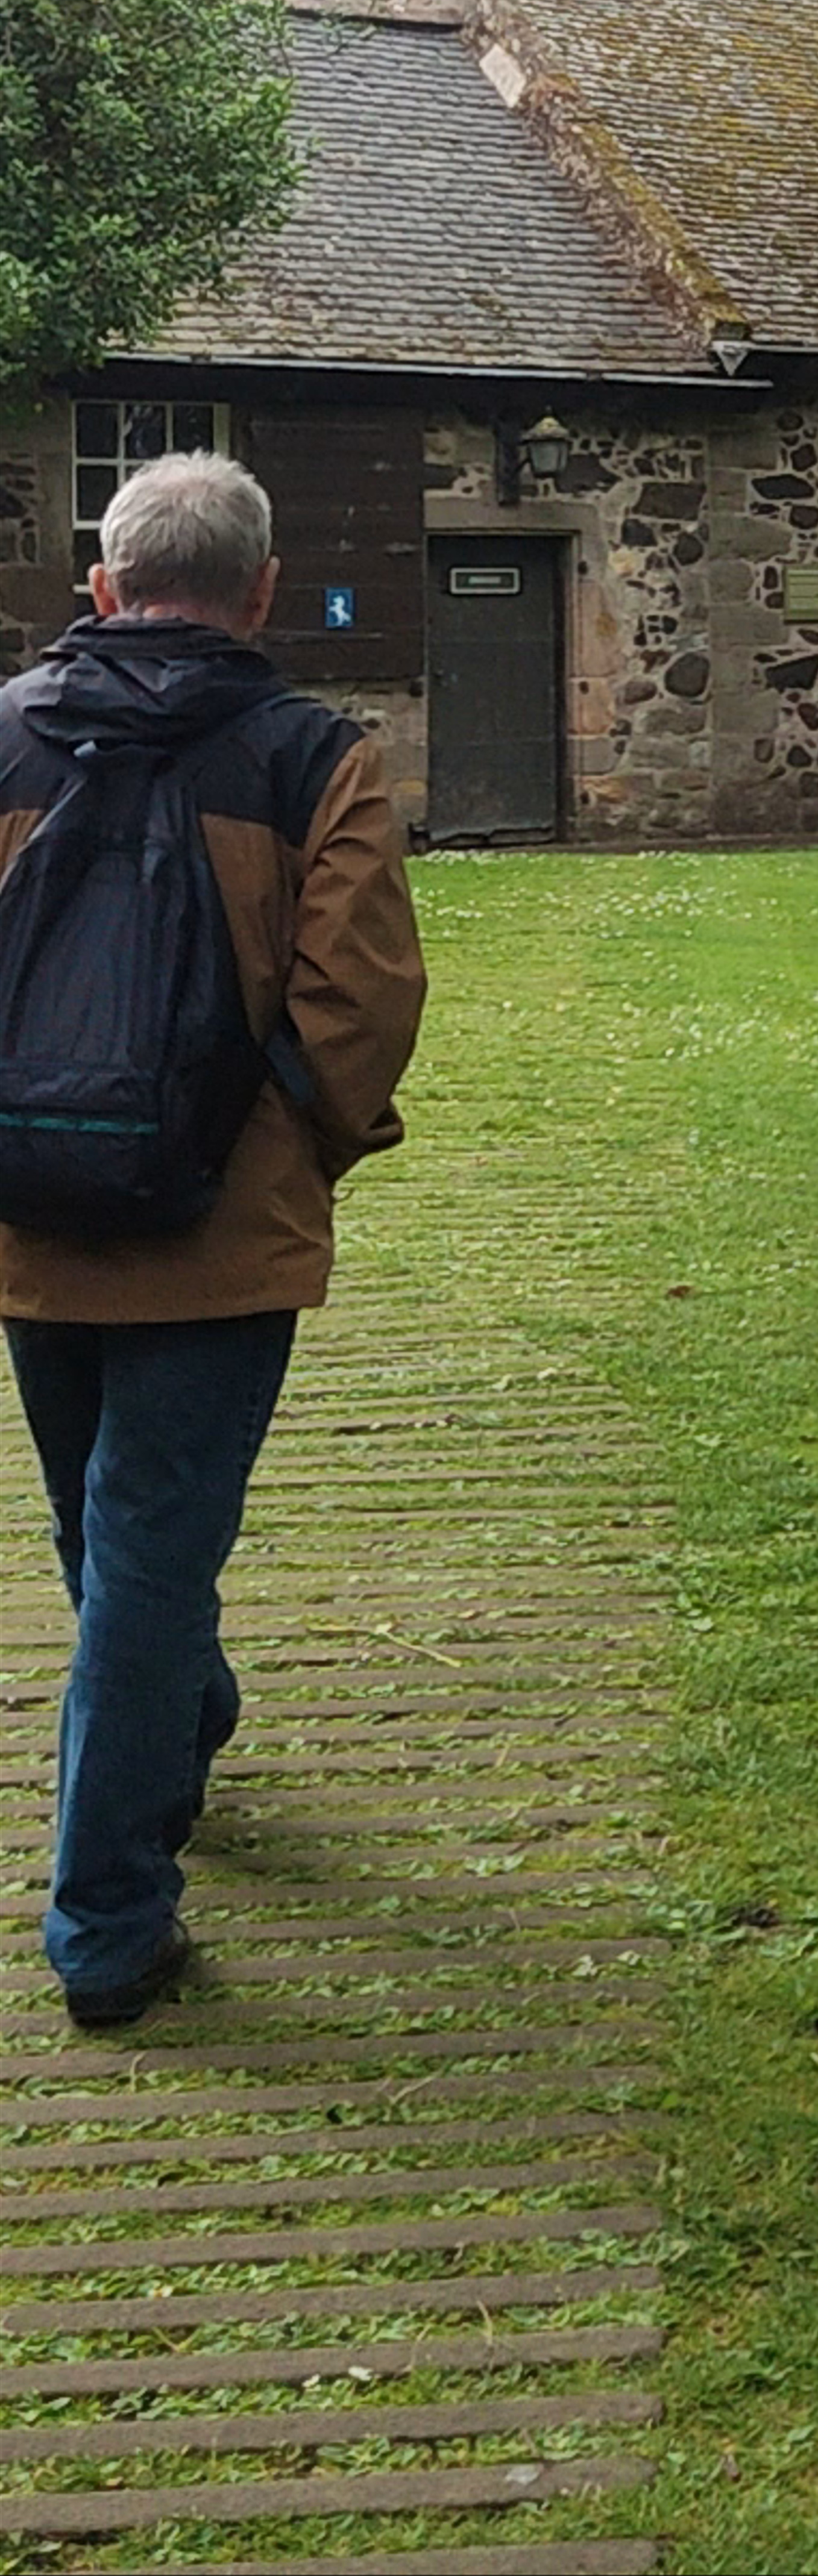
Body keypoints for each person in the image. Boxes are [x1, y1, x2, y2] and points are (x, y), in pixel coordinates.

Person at [0, 451, 426, 2028]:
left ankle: (174, 1716)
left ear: (104, 584)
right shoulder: (317, 757)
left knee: (109, 1543)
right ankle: (109, 1927)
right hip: (222, 1236)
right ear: (261, 595)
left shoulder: (1, 734)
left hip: (28, 1213)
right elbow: (360, 1001)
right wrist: (283, 1153)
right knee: (146, 1557)